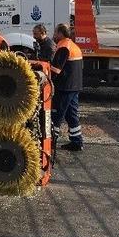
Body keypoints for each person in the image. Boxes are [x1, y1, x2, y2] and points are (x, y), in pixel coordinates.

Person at [50, 23, 84, 152]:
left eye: (55, 32)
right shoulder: (72, 45)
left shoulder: (64, 47)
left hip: (65, 87)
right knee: (71, 115)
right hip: (74, 86)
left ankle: (51, 142)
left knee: (57, 115)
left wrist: (46, 81)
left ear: (60, 33)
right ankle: (77, 141)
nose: (54, 35)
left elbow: (55, 70)